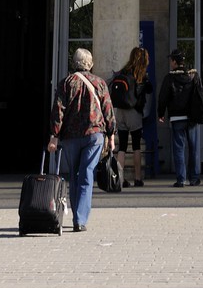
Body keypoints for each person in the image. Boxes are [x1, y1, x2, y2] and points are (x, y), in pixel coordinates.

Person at [48, 47, 115, 231]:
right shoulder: (100, 83)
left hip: (71, 136)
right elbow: (108, 110)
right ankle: (80, 219)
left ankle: (77, 214)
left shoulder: (65, 83)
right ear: (90, 64)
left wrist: (54, 135)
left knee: (75, 175)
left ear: (74, 63)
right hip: (94, 135)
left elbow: (58, 111)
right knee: (87, 174)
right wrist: (111, 134)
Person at [158, 49, 202, 188]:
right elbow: (200, 94)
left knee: (178, 148)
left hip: (177, 117)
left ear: (175, 62)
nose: (170, 62)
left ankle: (181, 179)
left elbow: (163, 97)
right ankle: (194, 178)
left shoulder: (169, 78)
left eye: (171, 60)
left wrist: (161, 113)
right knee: (194, 148)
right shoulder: (193, 76)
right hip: (192, 117)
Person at [110, 44, 151, 188]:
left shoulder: (123, 71)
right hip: (134, 112)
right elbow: (149, 89)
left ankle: (120, 180)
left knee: (121, 147)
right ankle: (138, 179)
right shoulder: (141, 75)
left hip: (120, 111)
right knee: (136, 146)